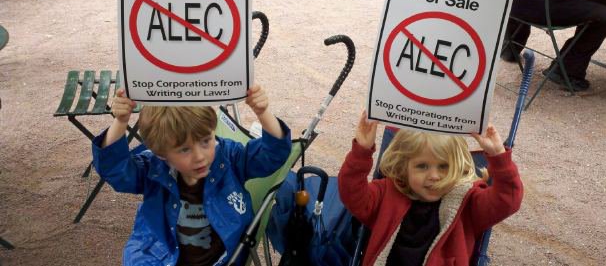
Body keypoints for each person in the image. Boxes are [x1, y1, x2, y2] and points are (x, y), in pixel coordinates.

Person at [92, 85, 292, 265]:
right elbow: (114, 169)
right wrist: (120, 122)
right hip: (158, 255)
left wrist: (263, 112)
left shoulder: (230, 157)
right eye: (184, 150)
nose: (200, 157)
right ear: (161, 154)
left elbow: (273, 154)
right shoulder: (152, 169)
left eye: (206, 141)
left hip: (220, 259)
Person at [338, 112, 523, 266]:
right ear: (405, 167)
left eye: (443, 167)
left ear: (457, 166)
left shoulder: (469, 202)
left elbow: (507, 201)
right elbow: (352, 194)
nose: (434, 176)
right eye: (422, 166)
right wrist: (361, 151)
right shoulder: (387, 192)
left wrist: (498, 156)